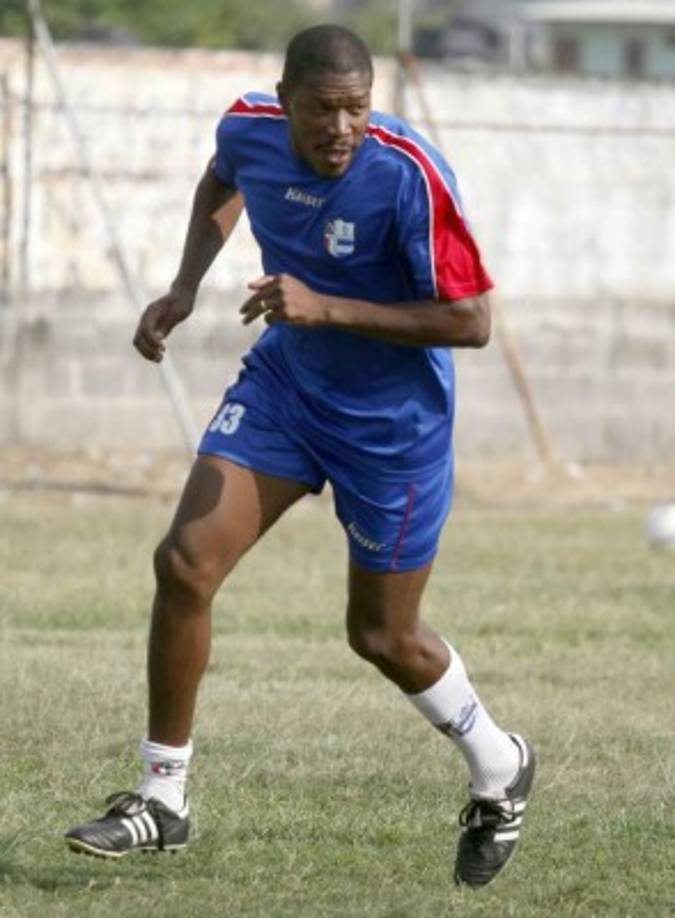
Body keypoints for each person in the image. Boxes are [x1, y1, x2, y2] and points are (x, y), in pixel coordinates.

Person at [64, 24, 535, 888]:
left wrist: (326, 308)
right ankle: (163, 797)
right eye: (323, 111)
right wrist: (185, 285)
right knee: (183, 562)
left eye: (357, 109)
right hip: (286, 392)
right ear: (284, 104)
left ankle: (498, 764)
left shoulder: (407, 174)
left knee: (381, 635)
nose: (342, 129)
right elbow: (222, 176)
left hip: (391, 429)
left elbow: (471, 323)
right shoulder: (247, 128)